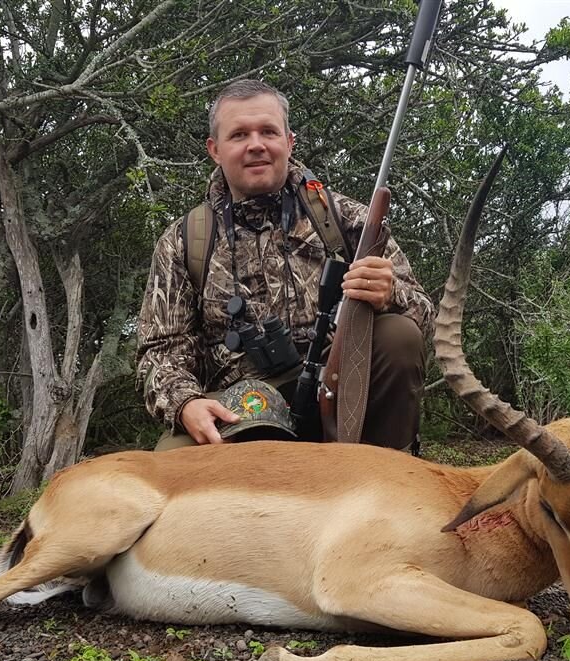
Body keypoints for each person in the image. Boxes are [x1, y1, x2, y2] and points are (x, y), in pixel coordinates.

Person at [137, 79, 434, 452]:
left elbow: (424, 315)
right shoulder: (184, 240)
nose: (256, 144)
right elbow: (160, 350)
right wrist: (185, 404)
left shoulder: (347, 219)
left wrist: (390, 294)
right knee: (173, 455)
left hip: (339, 387)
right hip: (240, 409)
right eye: (239, 134)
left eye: (268, 132)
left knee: (398, 336)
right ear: (215, 149)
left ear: (289, 142)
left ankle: (385, 479)